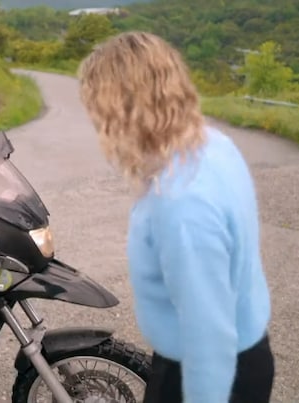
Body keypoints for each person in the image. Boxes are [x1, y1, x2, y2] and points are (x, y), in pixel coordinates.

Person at [77, 31, 275, 403]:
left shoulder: (182, 206)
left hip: (209, 374)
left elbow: (210, 342)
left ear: (122, 111)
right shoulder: (212, 143)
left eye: (99, 113)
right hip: (242, 350)